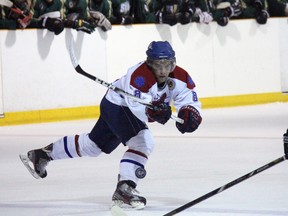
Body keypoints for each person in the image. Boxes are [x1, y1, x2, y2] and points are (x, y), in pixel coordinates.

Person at [21, 41, 202, 209]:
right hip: (119, 106)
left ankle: (42, 155)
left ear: (173, 63)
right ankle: (125, 189)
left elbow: (190, 100)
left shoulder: (181, 77)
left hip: (114, 105)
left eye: (167, 65)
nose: (163, 71)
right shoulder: (138, 75)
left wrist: (190, 114)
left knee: (93, 146)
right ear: (149, 63)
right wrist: (153, 112)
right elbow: (137, 108)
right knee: (142, 142)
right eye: (158, 65)